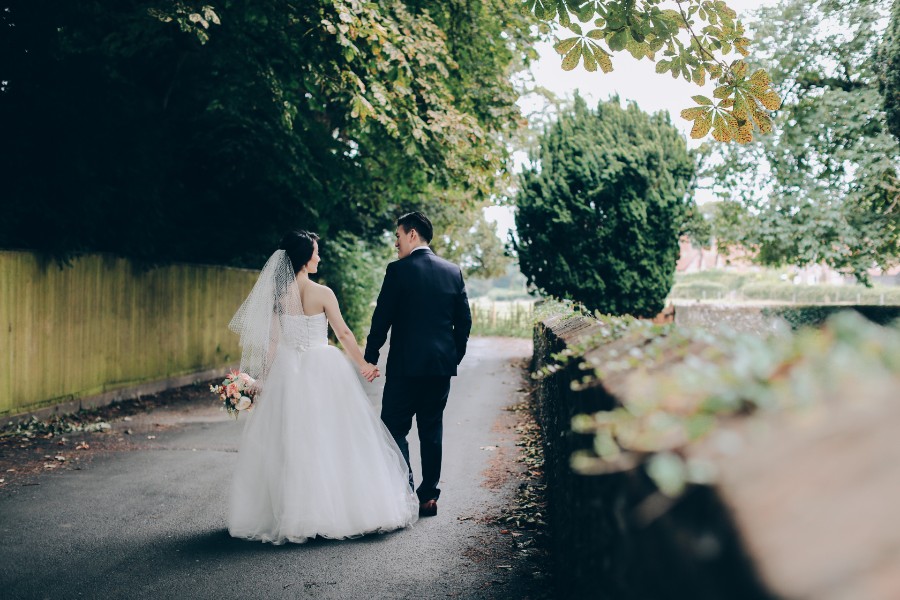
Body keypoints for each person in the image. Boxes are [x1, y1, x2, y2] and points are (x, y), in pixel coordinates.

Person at [227, 230, 418, 544]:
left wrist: (262, 380)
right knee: (332, 438)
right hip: (323, 367)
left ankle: (292, 513)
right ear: (305, 258)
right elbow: (343, 333)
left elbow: (272, 344)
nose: (319, 257)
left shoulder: (277, 296)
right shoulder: (323, 292)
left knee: (289, 442)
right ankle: (334, 510)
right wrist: (364, 365)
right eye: (316, 252)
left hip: (288, 371)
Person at [365, 211, 472, 517]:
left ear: (412, 234)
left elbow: (381, 317)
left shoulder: (398, 271)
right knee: (431, 429)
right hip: (439, 368)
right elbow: (464, 323)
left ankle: (407, 489)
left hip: (404, 369)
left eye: (397, 236)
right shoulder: (453, 271)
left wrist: (371, 355)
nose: (395, 243)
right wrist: (453, 357)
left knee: (394, 428)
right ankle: (429, 496)